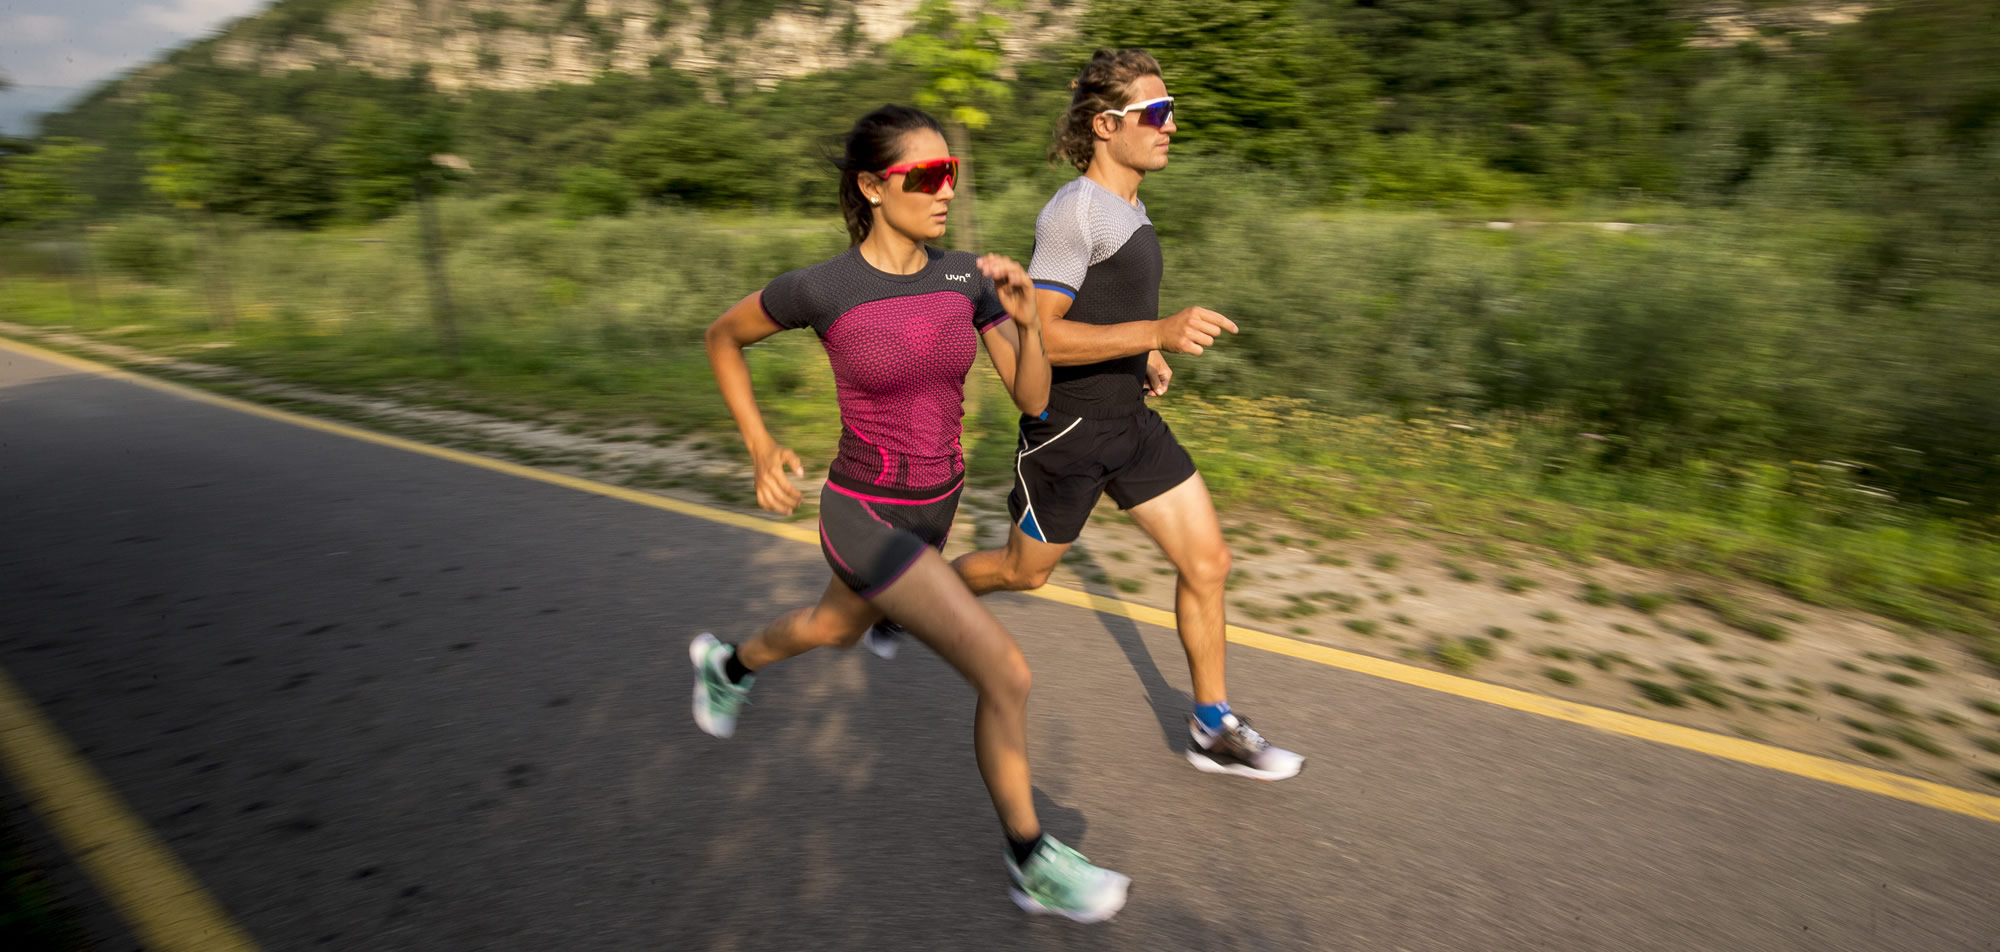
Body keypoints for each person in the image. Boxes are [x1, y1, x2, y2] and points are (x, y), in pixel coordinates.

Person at [689, 104, 1129, 922]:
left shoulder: (967, 278)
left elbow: (1033, 400)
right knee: (1008, 672)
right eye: (923, 176)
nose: (942, 189)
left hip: (937, 509)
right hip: (865, 512)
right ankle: (1030, 857)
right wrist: (759, 445)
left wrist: (1031, 322)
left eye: (949, 174)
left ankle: (727, 666)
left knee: (833, 629)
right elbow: (722, 337)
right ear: (870, 185)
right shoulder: (823, 287)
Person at [869, 50, 1304, 782]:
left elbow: (1105, 310)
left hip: (1127, 424)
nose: (1172, 126)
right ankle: (908, 597)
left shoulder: (1128, 203)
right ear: (1107, 125)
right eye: (1157, 114)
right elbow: (1045, 333)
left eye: (1173, 111)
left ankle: (1211, 724)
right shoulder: (1075, 211)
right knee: (1021, 572)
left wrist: (1144, 357)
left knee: (1209, 563)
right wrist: (1156, 333)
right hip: (1067, 436)